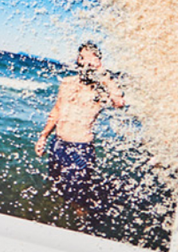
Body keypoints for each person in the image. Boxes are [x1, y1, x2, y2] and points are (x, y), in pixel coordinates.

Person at [37, 42, 127, 228]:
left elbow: (119, 102)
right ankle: (62, 220)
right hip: (58, 144)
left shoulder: (100, 90)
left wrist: (103, 73)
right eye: (85, 56)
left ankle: (82, 226)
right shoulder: (67, 83)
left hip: (80, 149)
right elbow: (57, 110)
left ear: (99, 61)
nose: (88, 61)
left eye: (94, 57)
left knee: (78, 197)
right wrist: (44, 136)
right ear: (78, 59)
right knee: (58, 187)